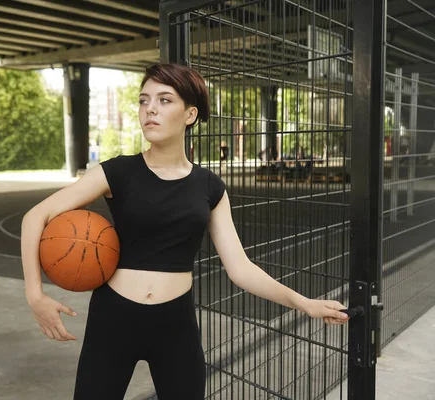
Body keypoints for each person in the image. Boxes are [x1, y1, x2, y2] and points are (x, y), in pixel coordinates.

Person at [20, 63, 349, 400]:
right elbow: (36, 216)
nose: (150, 109)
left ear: (190, 114)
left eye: (164, 100)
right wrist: (35, 296)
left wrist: (304, 303)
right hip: (114, 319)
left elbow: (240, 268)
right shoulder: (116, 172)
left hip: (174, 324)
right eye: (144, 100)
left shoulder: (209, 187)